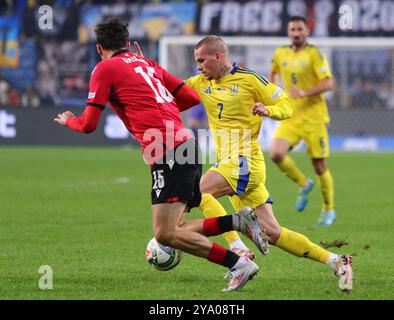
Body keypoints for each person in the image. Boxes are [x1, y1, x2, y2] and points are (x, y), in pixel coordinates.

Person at [54, 18, 267, 292]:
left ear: (99, 48)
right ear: (128, 44)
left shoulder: (104, 68)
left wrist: (69, 119)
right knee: (176, 227)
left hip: (167, 151)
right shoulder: (149, 65)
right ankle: (238, 221)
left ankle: (238, 264)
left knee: (165, 233)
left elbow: (88, 125)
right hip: (188, 145)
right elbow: (190, 97)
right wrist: (153, 99)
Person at [137, 35, 353, 291]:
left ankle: (237, 248)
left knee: (198, 193)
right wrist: (147, 69)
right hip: (232, 168)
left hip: (244, 163)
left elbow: (286, 104)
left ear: (218, 56)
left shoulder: (250, 79)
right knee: (272, 233)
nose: (198, 67)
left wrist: (268, 110)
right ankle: (336, 261)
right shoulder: (199, 82)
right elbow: (168, 91)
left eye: (201, 60)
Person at [269, 16, 336, 226]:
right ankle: (303, 183)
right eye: (292, 29)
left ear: (306, 31)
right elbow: (273, 75)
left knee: (319, 165)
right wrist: (272, 94)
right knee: (276, 154)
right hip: (291, 115)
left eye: (299, 29)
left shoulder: (314, 53)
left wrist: (305, 92)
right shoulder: (280, 53)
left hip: (314, 117)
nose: (296, 33)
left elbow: (328, 83)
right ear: (288, 32)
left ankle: (328, 210)